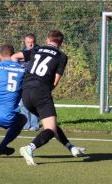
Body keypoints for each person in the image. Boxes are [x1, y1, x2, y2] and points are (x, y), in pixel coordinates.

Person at [12, 30, 85, 165]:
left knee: (51, 124)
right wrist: (44, 91)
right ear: (61, 43)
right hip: (41, 92)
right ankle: (29, 148)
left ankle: (71, 147)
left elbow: (15, 57)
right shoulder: (62, 56)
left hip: (26, 92)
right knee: (50, 129)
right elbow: (55, 82)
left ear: (47, 39)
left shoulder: (36, 49)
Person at [20, 34, 40, 131]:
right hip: (24, 83)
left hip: (36, 83)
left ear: (35, 42)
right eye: (28, 43)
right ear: (25, 42)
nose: (30, 45)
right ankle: (25, 124)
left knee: (33, 104)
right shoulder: (22, 53)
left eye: (32, 43)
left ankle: (35, 125)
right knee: (23, 104)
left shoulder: (39, 52)